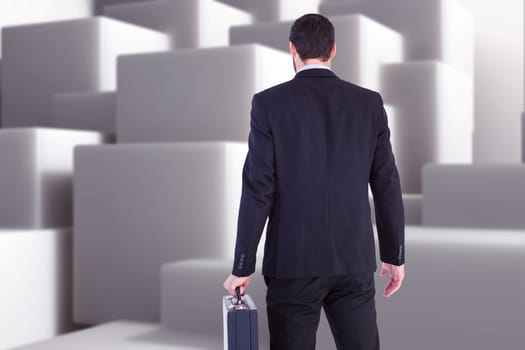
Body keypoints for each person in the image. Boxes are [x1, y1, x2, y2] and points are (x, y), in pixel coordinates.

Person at [223, 13, 405, 350]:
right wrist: (394, 254)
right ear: (333, 50)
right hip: (352, 260)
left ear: (292, 49)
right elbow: (386, 182)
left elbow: (258, 189)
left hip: (292, 263)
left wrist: (242, 266)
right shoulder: (369, 104)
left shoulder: (268, 104)